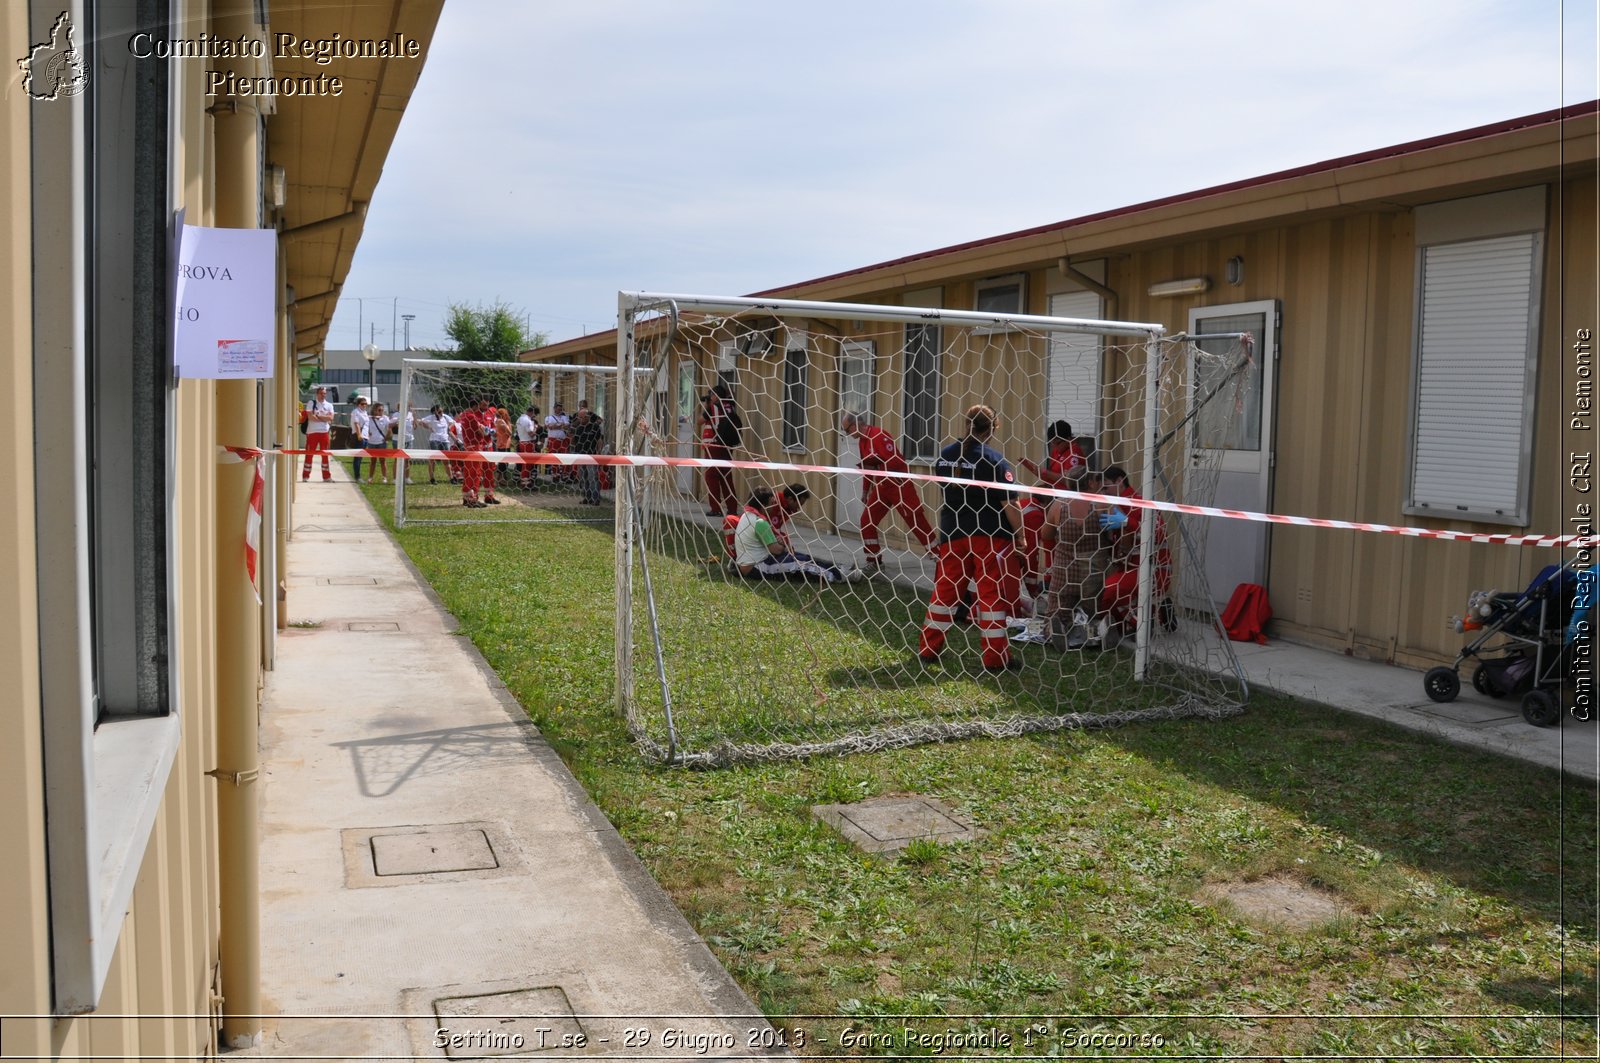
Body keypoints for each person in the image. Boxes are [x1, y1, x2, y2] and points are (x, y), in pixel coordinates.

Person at [918, 405, 1022, 672]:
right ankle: (996, 659)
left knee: (945, 593)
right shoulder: (994, 460)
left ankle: (928, 649)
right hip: (988, 536)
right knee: (990, 599)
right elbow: (1010, 504)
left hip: (953, 534)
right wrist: (1020, 535)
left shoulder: (944, 457)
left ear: (967, 424)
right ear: (993, 428)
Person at [841, 410, 936, 572]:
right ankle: (874, 560)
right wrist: (865, 491)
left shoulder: (879, 436)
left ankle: (938, 554)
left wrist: (881, 468)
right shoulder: (863, 442)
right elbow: (868, 468)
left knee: (915, 519)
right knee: (867, 521)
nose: (847, 434)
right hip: (882, 487)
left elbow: (895, 460)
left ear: (856, 425)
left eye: (847, 429)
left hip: (898, 485)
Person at [1041, 465, 1117, 650]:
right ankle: (1097, 630)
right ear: (1090, 482)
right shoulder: (1101, 504)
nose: (1100, 484)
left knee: (1058, 609)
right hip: (1093, 568)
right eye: (1097, 480)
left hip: (1065, 569)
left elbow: (1046, 535)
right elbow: (1115, 534)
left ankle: (1055, 628)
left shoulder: (1059, 505)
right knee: (1091, 611)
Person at [1016, 420, 1086, 598]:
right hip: (1054, 502)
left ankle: (1057, 578)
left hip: (1069, 504)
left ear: (1068, 439)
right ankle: (1049, 576)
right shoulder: (1056, 451)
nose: (1054, 446)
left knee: (1058, 541)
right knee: (1047, 537)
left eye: (1057, 442)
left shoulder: (1075, 452)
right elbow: (1050, 479)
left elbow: (1067, 481)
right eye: (1052, 442)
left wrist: (1038, 470)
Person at [1098, 464, 1168, 631]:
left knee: (1104, 595)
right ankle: (1154, 612)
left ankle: (1143, 624)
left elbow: (1157, 534)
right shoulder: (1113, 506)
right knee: (1102, 605)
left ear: (1120, 481)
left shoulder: (1142, 505)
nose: (1103, 492)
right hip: (1130, 570)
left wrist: (1128, 523)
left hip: (1153, 570)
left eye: (1106, 486)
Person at [731, 486, 851, 583]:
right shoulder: (760, 522)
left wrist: (779, 542)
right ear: (763, 505)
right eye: (772, 503)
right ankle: (840, 576)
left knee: (803, 558)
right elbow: (776, 550)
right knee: (801, 565)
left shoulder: (746, 515)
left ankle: (840, 569)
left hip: (756, 562)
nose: (773, 506)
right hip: (757, 567)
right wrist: (781, 544)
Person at [700, 384, 743, 516]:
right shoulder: (729, 406)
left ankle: (716, 508)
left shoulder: (713, 407)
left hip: (714, 445)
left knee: (712, 477)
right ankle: (732, 509)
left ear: (716, 396)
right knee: (726, 477)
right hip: (727, 445)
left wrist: (707, 405)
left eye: (711, 394)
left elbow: (699, 420)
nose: (710, 397)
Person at [456, 397, 500, 507]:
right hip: (476, 447)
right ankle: (472, 498)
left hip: (484, 447)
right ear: (477, 405)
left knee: (486, 471)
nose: (485, 407)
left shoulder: (487, 413)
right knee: (475, 473)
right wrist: (486, 430)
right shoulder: (473, 416)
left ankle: (487, 496)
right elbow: (483, 431)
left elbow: (493, 429)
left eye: (487, 405)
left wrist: (489, 430)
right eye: (483, 405)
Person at [571, 406, 605, 505]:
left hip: (591, 456)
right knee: (582, 478)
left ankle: (595, 499)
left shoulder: (595, 427)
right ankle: (587, 497)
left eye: (581, 418)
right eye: (579, 418)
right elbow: (574, 441)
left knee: (592, 477)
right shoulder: (579, 427)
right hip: (580, 456)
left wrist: (599, 453)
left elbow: (599, 440)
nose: (579, 419)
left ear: (587, 417)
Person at [301, 385, 335, 481]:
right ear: (317, 394)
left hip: (324, 432)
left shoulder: (329, 405)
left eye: (324, 393)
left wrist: (318, 416)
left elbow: (331, 418)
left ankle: (326, 476)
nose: (323, 395)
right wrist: (324, 418)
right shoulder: (311, 403)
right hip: (312, 432)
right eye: (321, 393)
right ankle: (305, 476)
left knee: (325, 455)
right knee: (309, 454)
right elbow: (311, 417)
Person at [418, 404, 456, 484]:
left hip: (445, 440)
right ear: (435, 412)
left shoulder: (445, 417)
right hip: (434, 440)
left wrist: (449, 427)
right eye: (439, 411)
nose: (441, 412)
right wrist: (428, 427)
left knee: (446, 460)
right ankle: (432, 478)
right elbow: (420, 422)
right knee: (432, 460)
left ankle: (451, 478)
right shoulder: (431, 417)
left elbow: (453, 422)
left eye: (442, 411)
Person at [364, 402, 394, 483]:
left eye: (382, 410)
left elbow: (389, 428)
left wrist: (386, 437)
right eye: (379, 410)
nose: (381, 412)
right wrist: (367, 433)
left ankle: (384, 478)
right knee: (373, 460)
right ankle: (370, 478)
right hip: (371, 442)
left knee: (382, 460)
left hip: (381, 442)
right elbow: (364, 427)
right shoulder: (369, 418)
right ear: (374, 410)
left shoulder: (385, 418)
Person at [544, 402, 572, 483]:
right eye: (558, 409)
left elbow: (567, 426)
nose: (559, 410)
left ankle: (565, 475)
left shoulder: (564, 417)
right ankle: (555, 475)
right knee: (554, 458)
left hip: (563, 440)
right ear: (554, 408)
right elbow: (550, 427)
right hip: (553, 440)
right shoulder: (549, 418)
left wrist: (557, 425)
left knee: (565, 457)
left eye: (560, 409)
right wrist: (561, 425)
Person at [516, 405, 540, 487]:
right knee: (528, 463)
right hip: (528, 443)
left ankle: (525, 481)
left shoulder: (520, 418)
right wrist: (536, 428)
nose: (535, 416)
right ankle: (525, 482)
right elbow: (531, 434)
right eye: (535, 414)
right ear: (532, 412)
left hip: (522, 442)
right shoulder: (527, 420)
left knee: (525, 462)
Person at [349, 395, 370, 482]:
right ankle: (357, 477)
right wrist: (359, 435)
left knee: (361, 457)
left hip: (365, 437)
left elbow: (366, 425)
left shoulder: (365, 412)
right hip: (359, 437)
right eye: (362, 404)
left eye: (366, 404)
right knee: (357, 457)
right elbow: (356, 424)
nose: (364, 405)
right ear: (358, 404)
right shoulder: (356, 412)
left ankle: (358, 476)